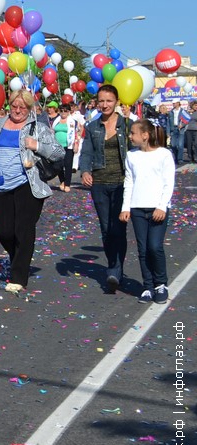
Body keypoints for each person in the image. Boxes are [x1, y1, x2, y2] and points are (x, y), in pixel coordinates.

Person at [0, 89, 65, 298]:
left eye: (22, 107)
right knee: (4, 231)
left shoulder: (38, 127)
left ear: (29, 108)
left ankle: (18, 277)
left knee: (23, 230)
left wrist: (37, 145)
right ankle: (19, 259)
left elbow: (59, 152)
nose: (17, 110)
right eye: (14, 106)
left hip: (28, 184)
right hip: (0, 186)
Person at [78, 85, 131, 294]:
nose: (105, 105)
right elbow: (86, 153)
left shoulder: (127, 125)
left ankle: (116, 269)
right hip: (99, 183)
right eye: (101, 101)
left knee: (118, 227)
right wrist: (84, 171)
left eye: (109, 100)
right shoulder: (92, 127)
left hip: (122, 183)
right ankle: (113, 265)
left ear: (116, 101)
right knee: (106, 228)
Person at [120, 119, 174, 303]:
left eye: (133, 133)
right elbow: (129, 181)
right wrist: (126, 207)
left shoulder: (164, 155)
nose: (130, 136)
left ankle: (161, 284)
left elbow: (168, 182)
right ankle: (148, 286)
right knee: (143, 249)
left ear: (145, 135)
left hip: (157, 208)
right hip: (137, 208)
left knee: (155, 246)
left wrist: (162, 205)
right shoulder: (132, 155)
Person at [52, 104, 79, 192]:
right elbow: (52, 131)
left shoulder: (73, 121)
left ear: (68, 112)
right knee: (58, 165)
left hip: (68, 146)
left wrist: (76, 144)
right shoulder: (56, 121)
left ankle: (67, 184)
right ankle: (62, 181)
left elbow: (77, 134)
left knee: (68, 165)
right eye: (61, 111)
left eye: (65, 111)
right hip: (57, 146)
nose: (63, 113)